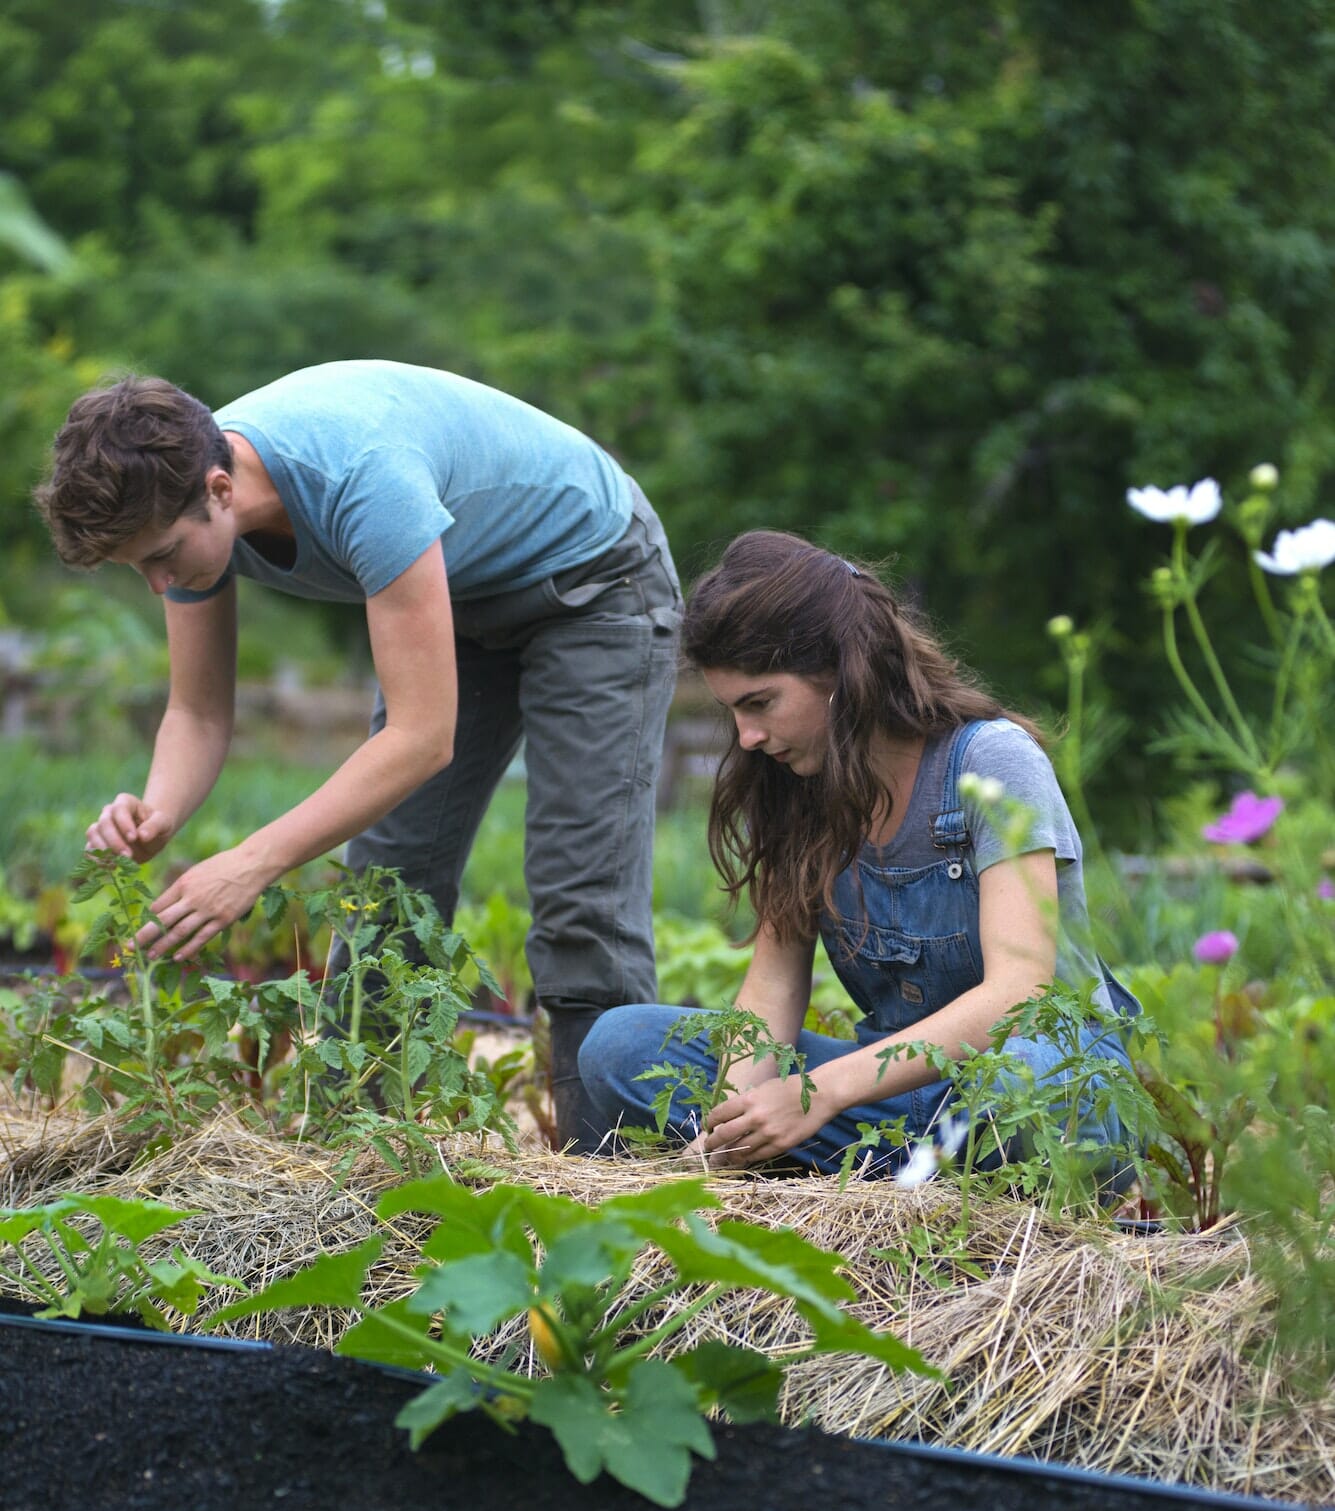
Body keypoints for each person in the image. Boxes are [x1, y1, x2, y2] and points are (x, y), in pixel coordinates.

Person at [34, 361, 683, 1149]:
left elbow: (420, 737)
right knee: (387, 888)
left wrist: (253, 860)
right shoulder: (183, 509)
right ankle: (354, 1160)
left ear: (218, 488)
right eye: (137, 566)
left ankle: (608, 1172)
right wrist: (160, 809)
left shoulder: (359, 479)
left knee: (580, 892)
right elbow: (198, 710)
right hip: (460, 591)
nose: (157, 582)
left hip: (592, 578)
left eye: (162, 556)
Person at [579, 530, 1141, 1185]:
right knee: (620, 1045)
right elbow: (769, 992)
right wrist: (731, 1126)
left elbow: (1021, 993)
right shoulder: (799, 790)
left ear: (842, 673)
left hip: (1039, 1093)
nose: (747, 737)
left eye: (759, 703)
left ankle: (902, 1173)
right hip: (892, 1101)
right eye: (732, 711)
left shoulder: (990, 763)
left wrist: (819, 1094)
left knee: (1034, 1079)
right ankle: (893, 1175)